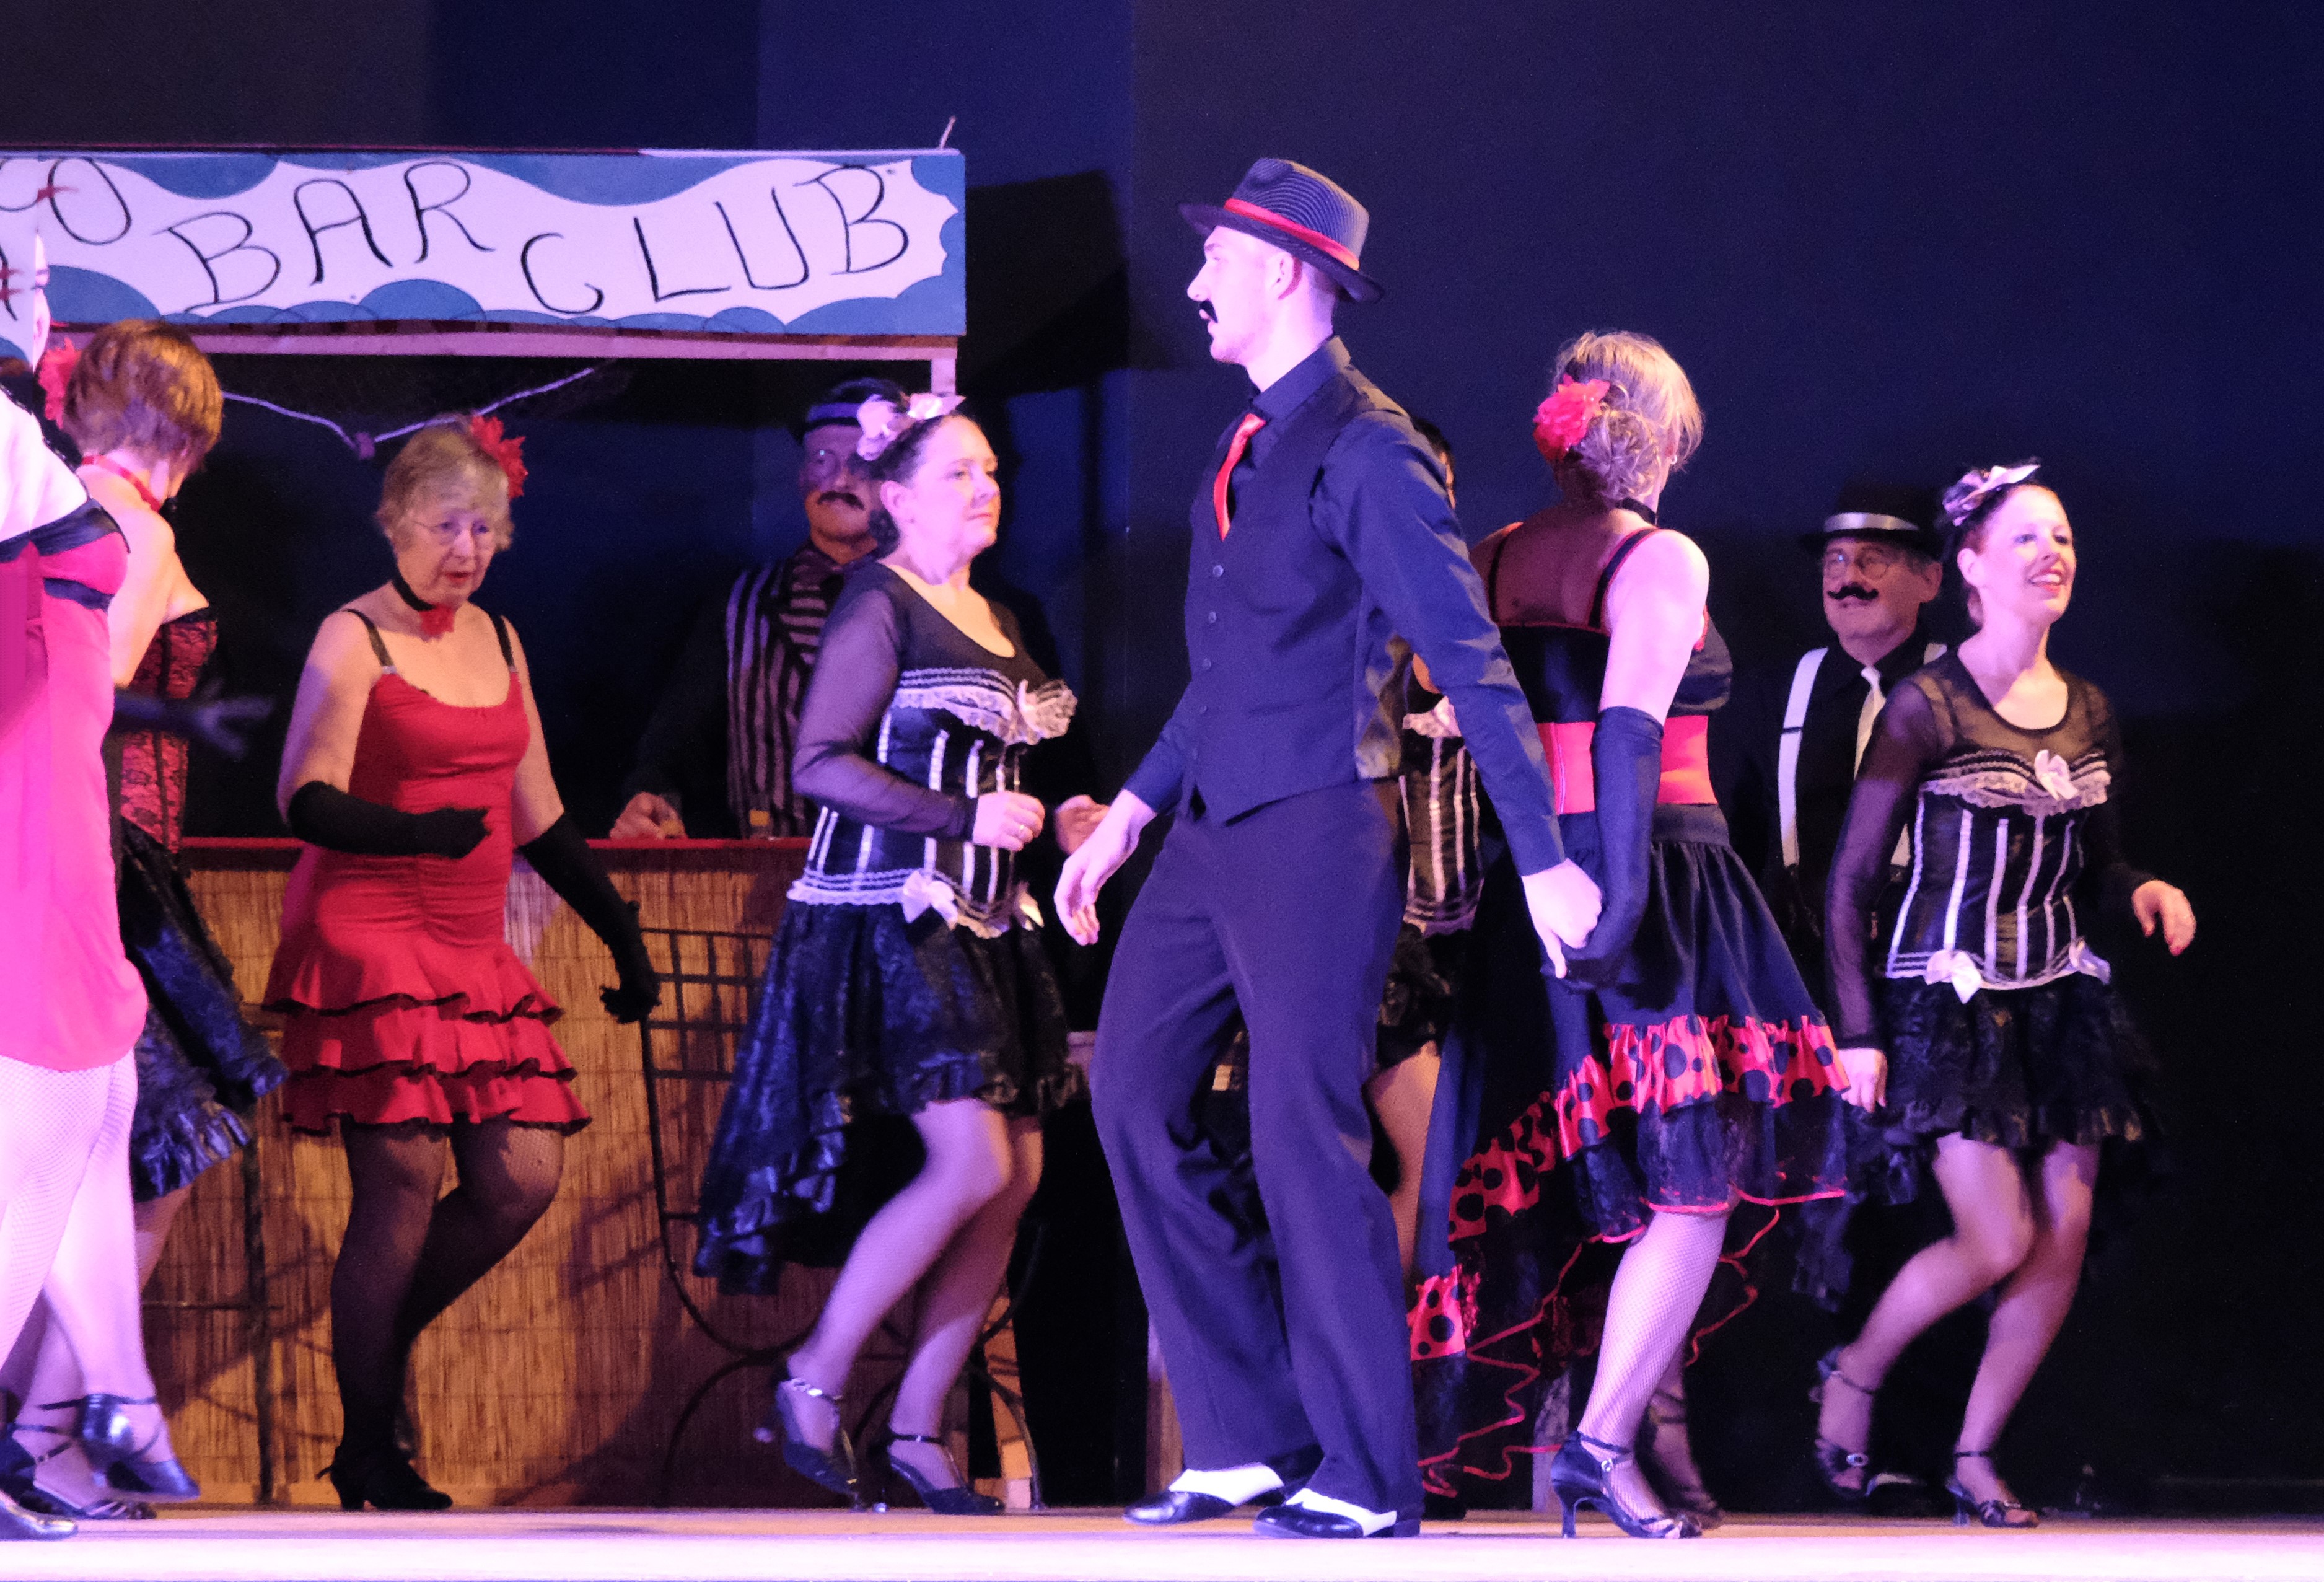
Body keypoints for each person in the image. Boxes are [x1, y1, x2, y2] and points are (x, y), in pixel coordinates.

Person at [1056, 159, 1600, 1541]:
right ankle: (1247, 1436)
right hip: (1210, 826)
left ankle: (1365, 1469)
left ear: (1286, 272)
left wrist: (1543, 854)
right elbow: (1231, 666)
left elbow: (1471, 659)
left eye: (1218, 261)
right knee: (1132, 1096)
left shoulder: (1369, 448)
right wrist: (1130, 810)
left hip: (1316, 828)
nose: (1195, 283)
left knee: (1303, 1135)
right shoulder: (1248, 440)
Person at [1408, 333, 1870, 1540]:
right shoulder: (1659, 555)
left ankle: (1578, 1440)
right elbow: (1627, 729)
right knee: (1694, 1176)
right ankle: (1603, 1442)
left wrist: (1549, 871)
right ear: (1659, 439)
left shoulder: (1495, 554)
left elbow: (1460, 712)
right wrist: (1616, 904)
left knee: (1580, 1170)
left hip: (1535, 883)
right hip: (1653, 874)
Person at [693, 395, 1095, 1514]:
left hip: (987, 918)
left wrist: (1060, 817)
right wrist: (962, 817)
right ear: (898, 498)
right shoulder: (881, 599)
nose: (984, 487)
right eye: (958, 472)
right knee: (970, 1161)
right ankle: (814, 1374)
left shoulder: (998, 615)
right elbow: (819, 761)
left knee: (1019, 1172)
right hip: (890, 911)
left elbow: (1003, 775)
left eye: (992, 470)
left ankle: (919, 1426)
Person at [265, 416, 660, 1511]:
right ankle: (367, 1445)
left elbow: (540, 813)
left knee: (521, 1176)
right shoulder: (356, 635)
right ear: (396, 520)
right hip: (369, 929)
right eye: (447, 525)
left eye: (485, 529)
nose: (467, 548)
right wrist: (416, 832)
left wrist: (619, 931)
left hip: (470, 944)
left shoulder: (500, 638)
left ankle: (376, 1350)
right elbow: (302, 795)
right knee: (400, 1184)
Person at [1812, 464, 2194, 1527]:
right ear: (1971, 567)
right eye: (2024, 536)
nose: (2049, 553)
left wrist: (2144, 887)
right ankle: (1853, 1371)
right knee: (1994, 1236)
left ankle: (1975, 1453)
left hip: (2060, 1002)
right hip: (1945, 997)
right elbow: (1850, 882)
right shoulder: (1927, 705)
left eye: (2060, 536)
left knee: (2061, 1233)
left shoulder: (2090, 709)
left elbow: (2100, 864)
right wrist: (1856, 1031)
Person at [2, 323, 286, 1521]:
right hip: (92, 861)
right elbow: (79, 693)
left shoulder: (61, 501)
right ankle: (49, 1432)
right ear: (179, 433)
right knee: (128, 1155)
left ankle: (57, 1428)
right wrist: (185, 724)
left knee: (101, 1148)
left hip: (81, 854)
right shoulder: (128, 524)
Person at [0, 265, 194, 1543]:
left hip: (59, 802)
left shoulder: (26, 447)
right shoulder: (24, 453)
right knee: (52, 1115)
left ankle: (109, 1396)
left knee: (98, 1099)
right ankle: (82, 1411)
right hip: (29, 799)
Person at [612, 377, 909, 839]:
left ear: (897, 484)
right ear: (800, 476)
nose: (838, 481)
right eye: (821, 460)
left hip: (893, 866)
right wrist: (653, 798)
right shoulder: (739, 602)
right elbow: (673, 747)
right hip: (767, 863)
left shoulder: (926, 604)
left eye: (860, 463)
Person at [1716, 486, 1948, 1002]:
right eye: (1835, 560)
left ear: (1929, 580)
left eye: (1872, 560)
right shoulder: (1769, 696)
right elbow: (1735, 843)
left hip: (1935, 978)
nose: (1847, 579)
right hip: (1802, 984)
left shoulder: (1966, 693)